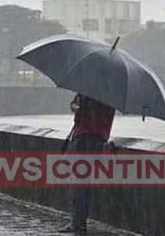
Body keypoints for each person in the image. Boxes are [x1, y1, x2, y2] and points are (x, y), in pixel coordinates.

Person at [59, 93, 116, 234]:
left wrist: (79, 107)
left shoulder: (89, 88)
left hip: (83, 139)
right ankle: (79, 221)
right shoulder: (111, 92)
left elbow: (76, 107)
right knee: (84, 183)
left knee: (79, 184)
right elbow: (75, 105)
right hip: (97, 138)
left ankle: (78, 223)